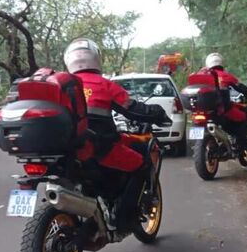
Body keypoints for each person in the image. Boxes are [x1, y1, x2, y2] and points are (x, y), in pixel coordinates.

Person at [64, 39, 171, 231]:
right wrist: (157, 113)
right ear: (96, 59)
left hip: (64, 150)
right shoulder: (103, 84)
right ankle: (124, 219)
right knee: (141, 164)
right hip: (97, 147)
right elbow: (132, 109)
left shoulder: (61, 84)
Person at [201, 53, 247, 153]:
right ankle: (240, 145)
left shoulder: (202, 75)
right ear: (220, 63)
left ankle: (225, 141)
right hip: (221, 110)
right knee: (245, 116)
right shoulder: (225, 75)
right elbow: (241, 87)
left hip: (202, 110)